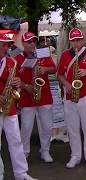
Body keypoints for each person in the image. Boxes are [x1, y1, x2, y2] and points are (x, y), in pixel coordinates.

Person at [57, 28, 86, 169]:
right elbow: (60, 75)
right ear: (70, 41)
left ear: (82, 40)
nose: (76, 43)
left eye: (79, 40)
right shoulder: (64, 55)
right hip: (70, 96)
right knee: (72, 128)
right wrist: (67, 84)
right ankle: (75, 155)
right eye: (73, 40)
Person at [0, 33, 37, 180]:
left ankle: (21, 173)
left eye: (8, 44)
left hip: (9, 107)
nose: (6, 47)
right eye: (3, 44)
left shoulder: (11, 62)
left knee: (16, 140)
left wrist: (16, 85)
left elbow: (16, 88)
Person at [16, 32, 56, 163]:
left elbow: (53, 68)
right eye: (29, 42)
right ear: (23, 44)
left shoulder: (43, 53)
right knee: (26, 127)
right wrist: (25, 86)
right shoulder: (17, 58)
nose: (32, 44)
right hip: (27, 97)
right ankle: (24, 152)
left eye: (34, 41)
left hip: (44, 96)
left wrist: (44, 70)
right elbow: (14, 79)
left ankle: (45, 151)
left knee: (47, 126)